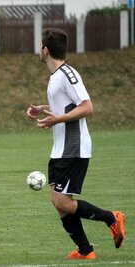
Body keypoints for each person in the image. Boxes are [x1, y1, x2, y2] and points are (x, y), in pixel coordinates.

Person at [26, 28, 125, 260]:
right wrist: (43, 109)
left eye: (41, 46)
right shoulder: (55, 77)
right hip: (60, 148)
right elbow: (66, 108)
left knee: (63, 200)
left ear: (46, 50)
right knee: (58, 202)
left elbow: (87, 107)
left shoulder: (69, 74)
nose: (39, 50)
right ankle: (85, 251)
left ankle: (112, 218)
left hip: (74, 147)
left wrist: (57, 118)